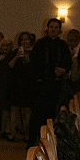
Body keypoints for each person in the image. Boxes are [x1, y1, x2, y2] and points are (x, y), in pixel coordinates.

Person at [27, 17, 71, 145]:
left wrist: (63, 70)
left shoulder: (63, 45)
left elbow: (68, 63)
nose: (53, 29)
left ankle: (50, 141)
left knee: (53, 113)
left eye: (56, 27)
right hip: (42, 85)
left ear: (60, 30)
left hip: (57, 85)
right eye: (51, 27)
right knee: (37, 114)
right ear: (47, 28)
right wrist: (39, 78)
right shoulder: (40, 44)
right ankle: (32, 140)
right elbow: (34, 64)